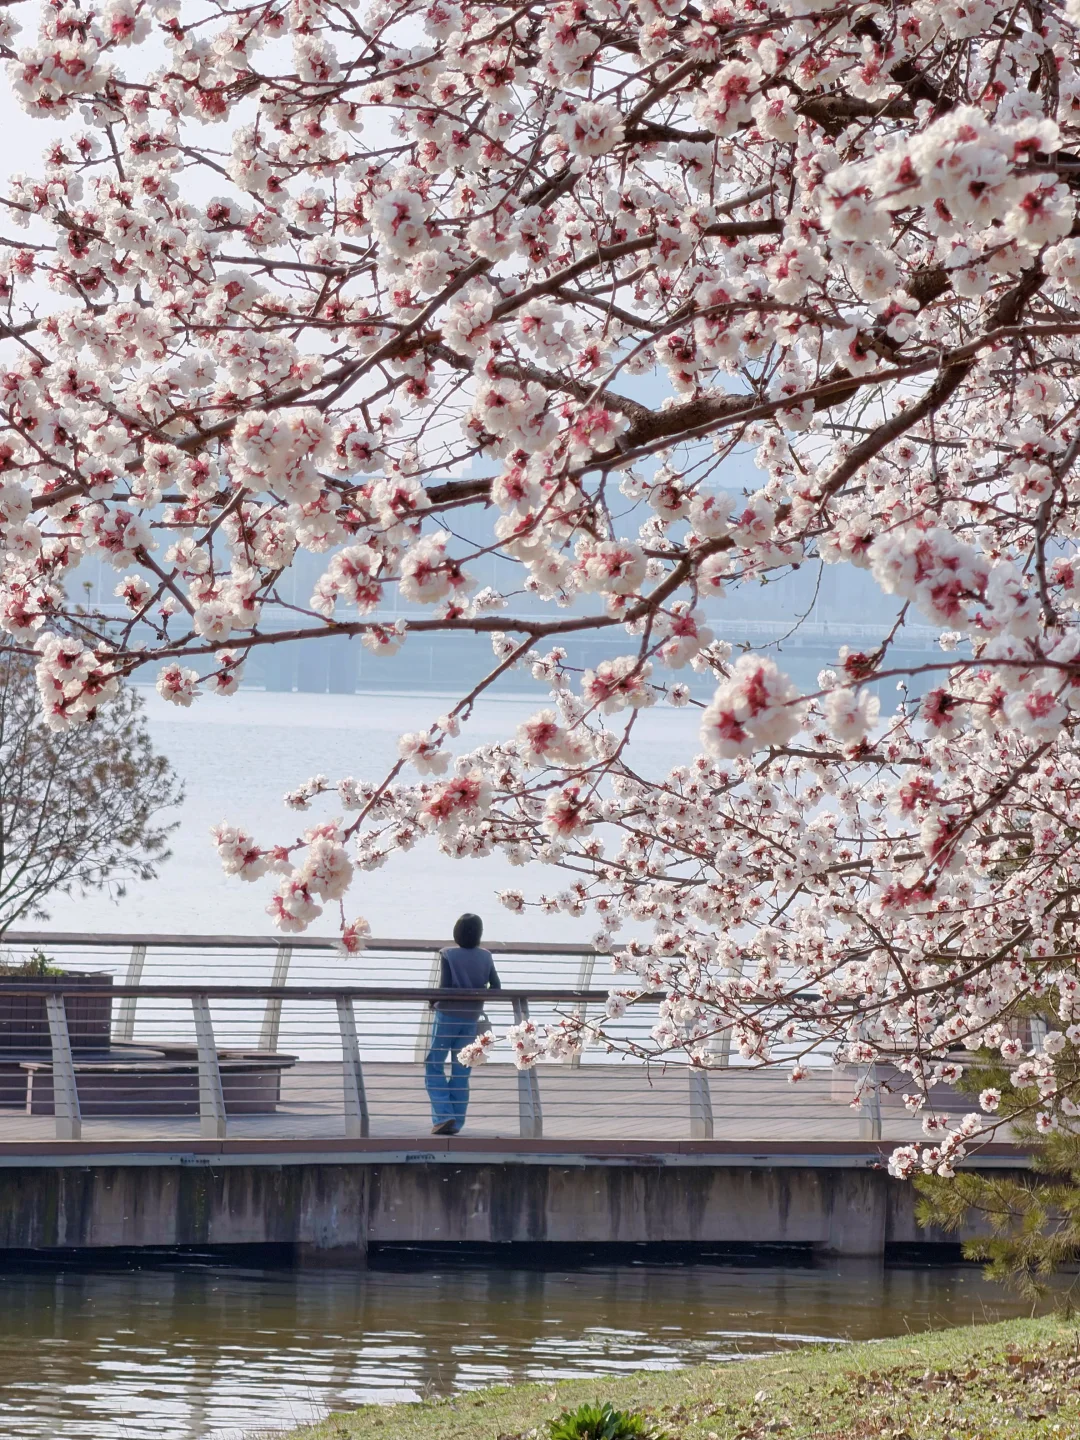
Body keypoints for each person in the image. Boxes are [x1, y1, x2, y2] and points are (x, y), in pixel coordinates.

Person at [425, 913, 500, 1135]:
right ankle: (456, 1122)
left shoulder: (448, 954)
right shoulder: (486, 956)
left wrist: (432, 1000)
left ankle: (443, 1115)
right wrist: (477, 995)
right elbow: (496, 987)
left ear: (456, 933)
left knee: (434, 1064)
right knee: (462, 1069)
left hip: (447, 1016)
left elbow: (445, 987)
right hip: (471, 1018)